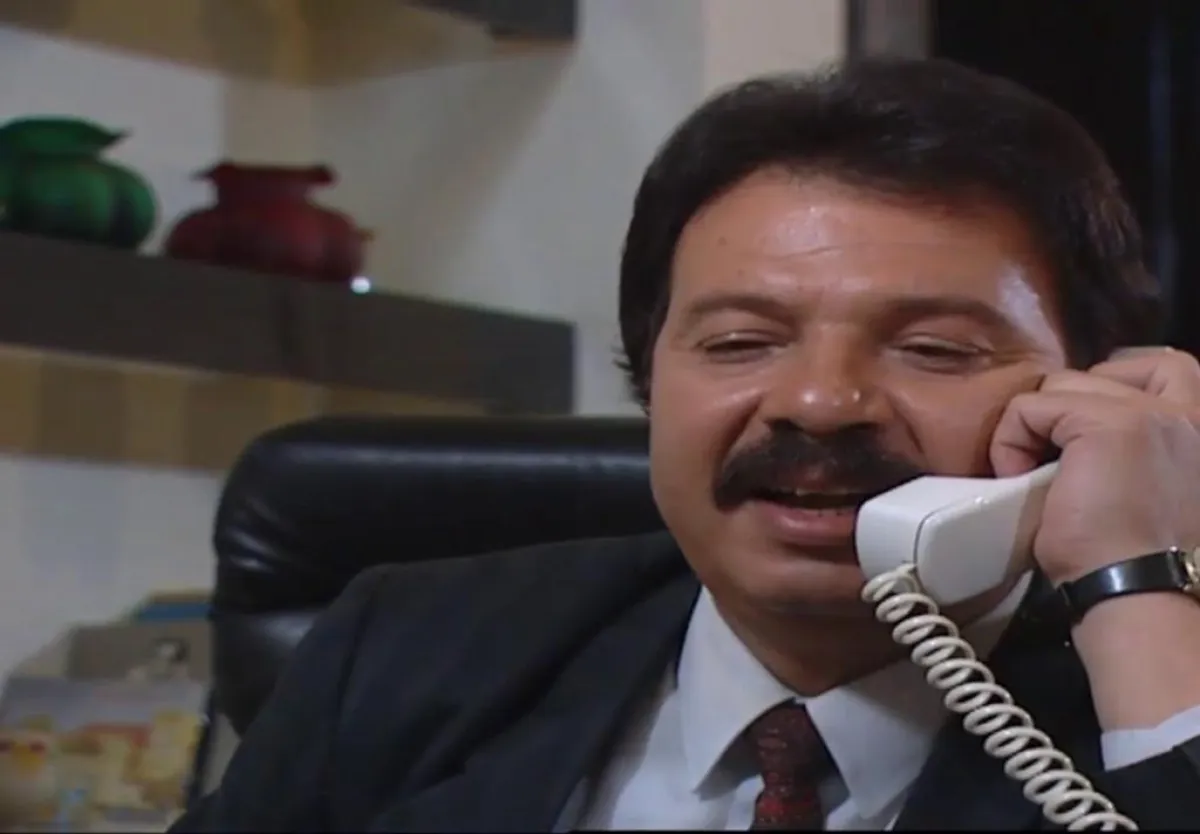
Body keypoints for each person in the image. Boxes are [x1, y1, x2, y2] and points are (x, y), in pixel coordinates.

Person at [172, 58, 1200, 831]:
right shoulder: (405, 648)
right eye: (741, 342)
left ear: (1094, 392)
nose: (820, 403)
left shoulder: (1161, 691)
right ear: (650, 372)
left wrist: (1142, 584)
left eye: (934, 349)